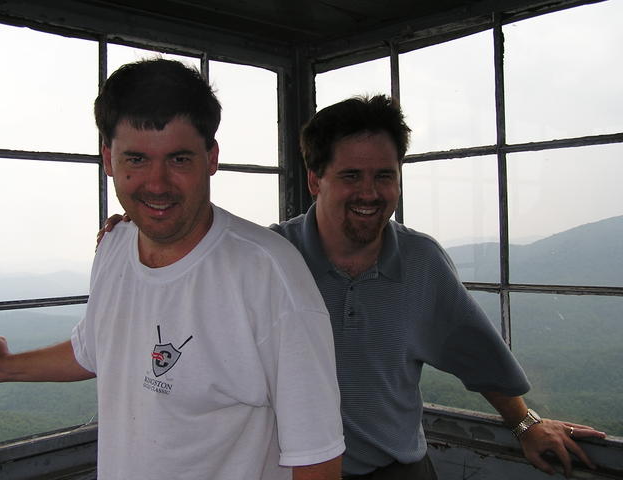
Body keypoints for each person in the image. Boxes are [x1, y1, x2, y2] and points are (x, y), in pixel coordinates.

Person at [96, 94, 607, 479]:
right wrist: (142, 227)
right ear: (316, 179)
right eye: (351, 176)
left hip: (398, 469)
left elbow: (474, 351)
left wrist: (524, 424)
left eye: (385, 175)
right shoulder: (272, 261)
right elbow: (185, 279)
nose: (370, 193)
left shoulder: (421, 263)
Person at [0, 59, 345, 480]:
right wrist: (5, 367)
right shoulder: (114, 246)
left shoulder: (270, 274)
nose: (156, 184)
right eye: (136, 159)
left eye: (178, 159)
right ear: (108, 159)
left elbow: (317, 460)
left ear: (211, 158)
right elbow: (95, 350)